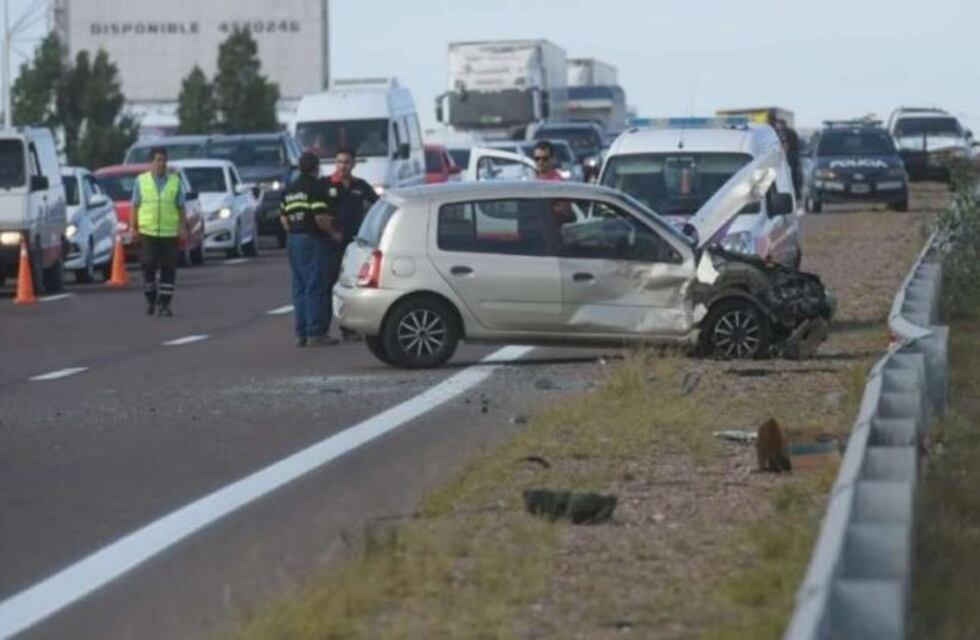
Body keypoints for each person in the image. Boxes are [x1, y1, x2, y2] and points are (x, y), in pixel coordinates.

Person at [281, 152, 341, 347]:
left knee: (299, 287)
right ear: (316, 168)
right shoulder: (315, 187)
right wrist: (333, 234)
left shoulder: (290, 189)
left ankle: (301, 333)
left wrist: (294, 232)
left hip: (293, 238)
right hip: (312, 239)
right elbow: (320, 217)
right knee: (316, 285)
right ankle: (316, 332)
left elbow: (284, 218)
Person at [323, 147, 379, 339]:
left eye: (346, 162)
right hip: (332, 242)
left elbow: (377, 206)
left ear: (353, 164)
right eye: (339, 162)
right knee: (331, 284)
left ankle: (349, 328)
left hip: (354, 243)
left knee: (352, 283)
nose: (342, 166)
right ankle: (322, 328)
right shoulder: (326, 185)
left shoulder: (361, 186)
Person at [132, 147, 187, 317]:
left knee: (169, 268)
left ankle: (164, 304)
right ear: (151, 162)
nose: (161, 163)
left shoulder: (175, 181)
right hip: (148, 232)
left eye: (164, 160)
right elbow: (135, 206)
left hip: (169, 233)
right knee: (148, 264)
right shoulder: (141, 181)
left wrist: (182, 226)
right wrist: (134, 228)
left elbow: (181, 207)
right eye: (158, 160)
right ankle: (151, 295)